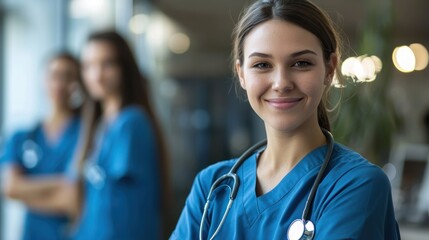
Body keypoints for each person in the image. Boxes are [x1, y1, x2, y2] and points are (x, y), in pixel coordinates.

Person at [171, 0, 400, 239]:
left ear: (330, 69)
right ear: (241, 74)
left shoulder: (356, 185)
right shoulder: (212, 187)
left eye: (301, 63)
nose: (281, 83)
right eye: (262, 64)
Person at [71, 31, 169, 240]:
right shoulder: (99, 125)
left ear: (124, 68)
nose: (96, 75)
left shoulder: (130, 123)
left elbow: (119, 212)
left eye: (107, 64)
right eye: (88, 66)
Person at [1, 52, 85, 240]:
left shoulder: (86, 133)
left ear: (78, 83)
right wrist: (62, 184)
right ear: (43, 79)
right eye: (54, 75)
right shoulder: (22, 137)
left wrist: (26, 191)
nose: (60, 84)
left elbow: (73, 198)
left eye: (67, 76)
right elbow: (10, 187)